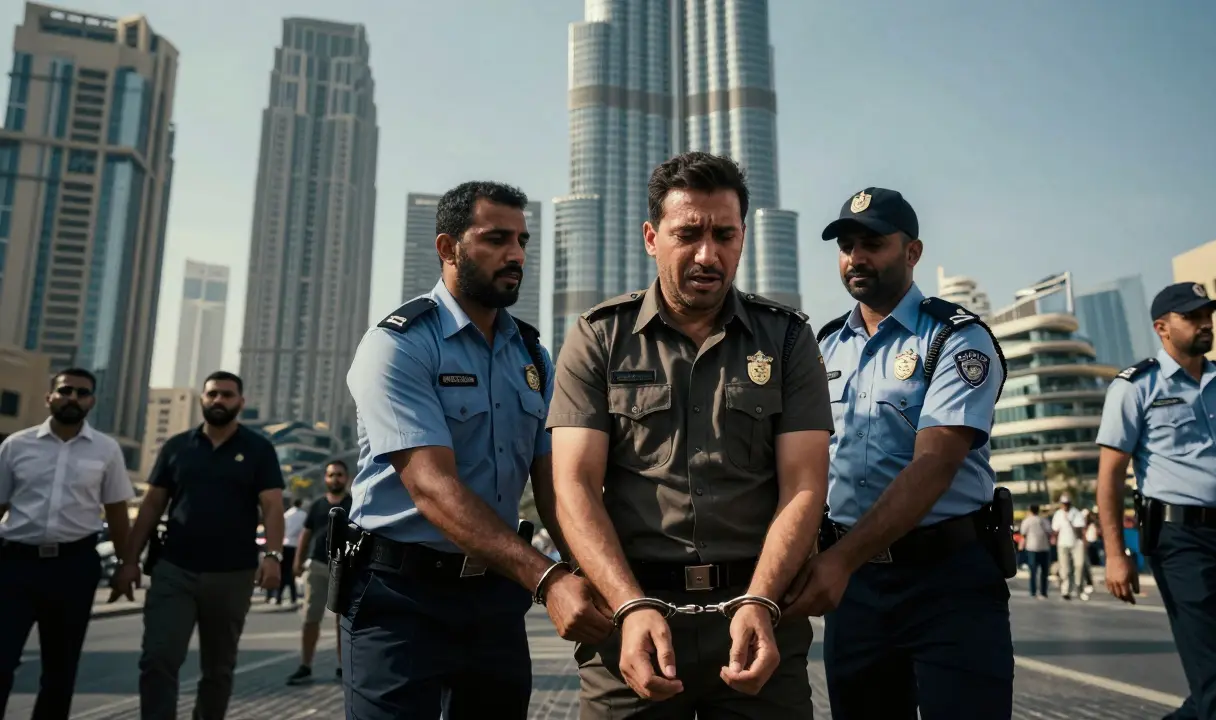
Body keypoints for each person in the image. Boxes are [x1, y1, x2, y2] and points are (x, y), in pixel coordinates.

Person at [548, 151, 833, 718]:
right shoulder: (599, 337)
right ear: (652, 237)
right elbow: (574, 486)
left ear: (743, 238)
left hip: (758, 615)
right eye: (688, 234)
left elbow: (805, 484)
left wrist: (761, 601)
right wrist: (629, 607)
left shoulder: (787, 340)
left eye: (725, 234)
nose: (708, 253)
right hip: (633, 620)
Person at [341, 181, 612, 720]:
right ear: (448, 248)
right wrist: (549, 579)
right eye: (496, 239)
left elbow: (556, 485)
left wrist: (595, 575)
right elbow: (432, 488)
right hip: (399, 597)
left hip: (494, 597)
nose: (515, 255)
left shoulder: (532, 353)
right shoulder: (398, 344)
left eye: (522, 241)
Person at [782, 187, 1013, 718]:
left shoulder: (955, 338)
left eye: (872, 243)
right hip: (857, 592)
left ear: (912, 253)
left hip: (948, 580)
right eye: (845, 246)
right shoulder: (823, 347)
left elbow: (934, 464)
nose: (855, 257)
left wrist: (838, 560)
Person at [1096, 281, 1216, 720]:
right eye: (1193, 316)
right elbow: (1110, 475)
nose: (1204, 324)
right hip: (1185, 542)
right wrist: (1115, 553)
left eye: (1208, 315)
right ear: (1162, 327)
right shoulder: (1135, 386)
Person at [113, 371, 286, 720]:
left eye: (226, 395)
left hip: (233, 574)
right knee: (158, 658)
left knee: (218, 669)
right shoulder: (177, 447)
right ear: (202, 400)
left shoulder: (258, 449)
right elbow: (151, 506)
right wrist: (128, 561)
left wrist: (272, 556)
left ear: (241, 402)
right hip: (175, 569)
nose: (218, 400)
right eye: (212, 394)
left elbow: (272, 505)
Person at [0, 368, 135, 719]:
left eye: (82, 392)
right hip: (15, 565)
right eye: (65, 390)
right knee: (0, 661)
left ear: (92, 401)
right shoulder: (16, 445)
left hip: (73, 567)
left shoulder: (106, 450)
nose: (73, 398)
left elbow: (118, 512)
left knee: (60, 670)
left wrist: (126, 565)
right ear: (50, 397)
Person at [285, 460, 352, 685]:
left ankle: (344, 667)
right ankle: (305, 665)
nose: (335, 479)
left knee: (342, 620)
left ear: (347, 478)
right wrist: (298, 561)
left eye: (340, 475)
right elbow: (306, 534)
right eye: (331, 475)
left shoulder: (354, 503)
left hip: (345, 568)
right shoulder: (317, 505)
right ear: (325, 478)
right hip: (317, 566)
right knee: (311, 618)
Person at [1051, 493, 1086, 600]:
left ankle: (1079, 588)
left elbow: (1079, 529)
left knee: (1079, 566)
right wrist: (1054, 539)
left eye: (1067, 504)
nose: (1065, 506)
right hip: (1063, 543)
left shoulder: (1076, 513)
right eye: (1063, 504)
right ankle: (1065, 590)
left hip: (1076, 543)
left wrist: (1070, 521)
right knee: (1065, 569)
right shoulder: (1058, 514)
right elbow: (1055, 529)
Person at [274, 497, 306, 605]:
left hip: (285, 544)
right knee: (292, 573)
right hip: (296, 546)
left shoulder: (286, 515)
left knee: (283, 572)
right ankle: (293, 596)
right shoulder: (303, 516)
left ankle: (279, 596)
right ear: (300, 504)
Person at [1019, 505, 1052, 599]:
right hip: (1044, 548)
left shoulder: (1027, 520)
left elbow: (1023, 533)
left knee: (1033, 572)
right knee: (1044, 572)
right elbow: (1049, 532)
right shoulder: (1044, 520)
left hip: (1032, 548)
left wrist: (1022, 545)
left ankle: (1033, 592)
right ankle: (1043, 592)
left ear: (1030, 510)